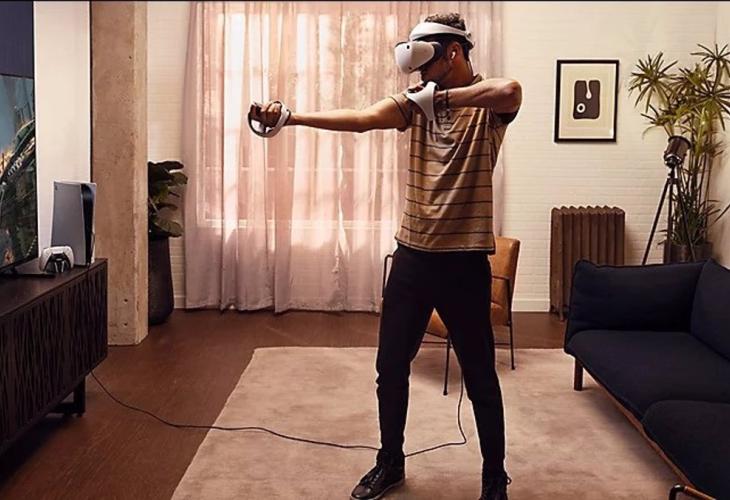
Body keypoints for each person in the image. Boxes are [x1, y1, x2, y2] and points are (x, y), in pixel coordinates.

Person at [249, 12, 521, 500]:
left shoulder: (485, 109)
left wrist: (442, 99)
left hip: (464, 262)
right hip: (412, 259)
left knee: (480, 375)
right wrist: (291, 117)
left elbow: (510, 90)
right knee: (390, 368)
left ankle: (493, 477)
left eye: (427, 64)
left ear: (453, 54)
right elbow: (360, 120)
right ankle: (390, 462)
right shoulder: (414, 105)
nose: (419, 77)